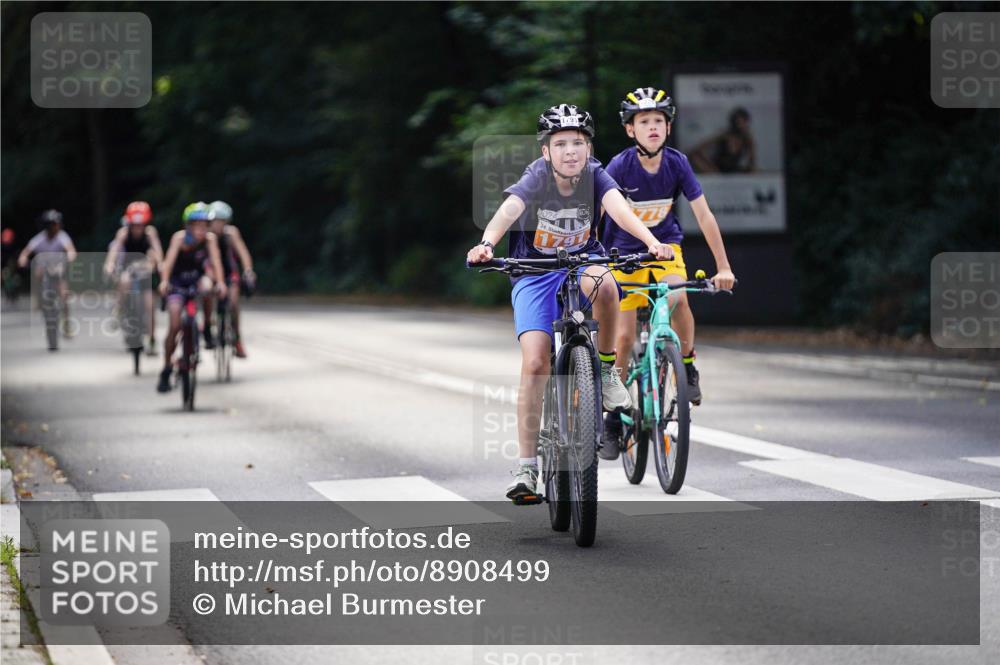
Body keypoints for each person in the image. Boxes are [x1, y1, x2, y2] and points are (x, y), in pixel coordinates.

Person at [466, 103, 673, 501]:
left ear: (589, 148)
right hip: (534, 273)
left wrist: (651, 242)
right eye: (560, 144)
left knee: (608, 285)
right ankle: (527, 469)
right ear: (546, 151)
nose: (570, 151)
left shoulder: (596, 175)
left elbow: (619, 208)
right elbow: (509, 210)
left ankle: (608, 369)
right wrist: (487, 243)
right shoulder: (536, 177)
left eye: (578, 142)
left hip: (583, 264)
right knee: (535, 361)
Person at [599, 87, 736, 460]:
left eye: (659, 120)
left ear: (668, 127)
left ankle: (687, 366)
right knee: (624, 338)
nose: (652, 127)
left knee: (678, 297)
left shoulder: (677, 163)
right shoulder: (618, 166)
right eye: (644, 122)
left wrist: (723, 266)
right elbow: (598, 215)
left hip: (666, 249)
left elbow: (704, 216)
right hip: (623, 255)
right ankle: (613, 415)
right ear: (631, 130)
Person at [156, 202, 227, 393]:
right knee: (175, 324)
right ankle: (167, 367)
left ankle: (206, 329)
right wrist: (164, 282)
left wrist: (220, 282)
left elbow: (216, 262)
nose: (201, 230)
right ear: (188, 225)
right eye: (196, 225)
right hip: (177, 283)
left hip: (196, 281)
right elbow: (168, 263)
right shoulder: (179, 239)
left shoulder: (210, 240)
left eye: (205, 225)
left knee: (208, 285)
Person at [104, 201, 164, 354]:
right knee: (124, 280)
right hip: (128, 269)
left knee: (150, 306)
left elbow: (157, 251)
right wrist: (109, 265)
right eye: (135, 225)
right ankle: (119, 308)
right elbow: (115, 250)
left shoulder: (150, 233)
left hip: (145, 270)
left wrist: (160, 265)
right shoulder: (123, 233)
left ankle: (151, 340)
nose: (138, 228)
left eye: (141, 225)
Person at [202, 200, 255, 358]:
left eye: (222, 221)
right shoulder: (205, 235)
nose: (218, 225)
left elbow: (243, 253)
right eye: (215, 221)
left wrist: (248, 270)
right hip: (211, 271)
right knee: (207, 293)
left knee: (233, 303)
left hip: (229, 272)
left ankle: (237, 339)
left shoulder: (231, 233)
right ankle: (206, 327)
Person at [18, 210, 78, 341]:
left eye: (56, 224)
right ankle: (39, 300)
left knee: (64, 295)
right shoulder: (39, 239)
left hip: (58, 272)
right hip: (43, 272)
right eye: (52, 224)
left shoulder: (62, 237)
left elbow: (71, 250)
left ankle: (66, 323)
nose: (55, 227)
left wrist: (70, 257)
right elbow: (26, 252)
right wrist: (23, 259)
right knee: (37, 273)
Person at [689, 106, 756, 174]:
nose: (741, 125)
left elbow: (752, 161)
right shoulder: (724, 135)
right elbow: (697, 149)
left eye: (743, 122)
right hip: (717, 170)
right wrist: (710, 166)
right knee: (694, 156)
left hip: (734, 170)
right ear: (734, 122)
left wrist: (750, 169)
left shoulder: (747, 139)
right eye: (739, 122)